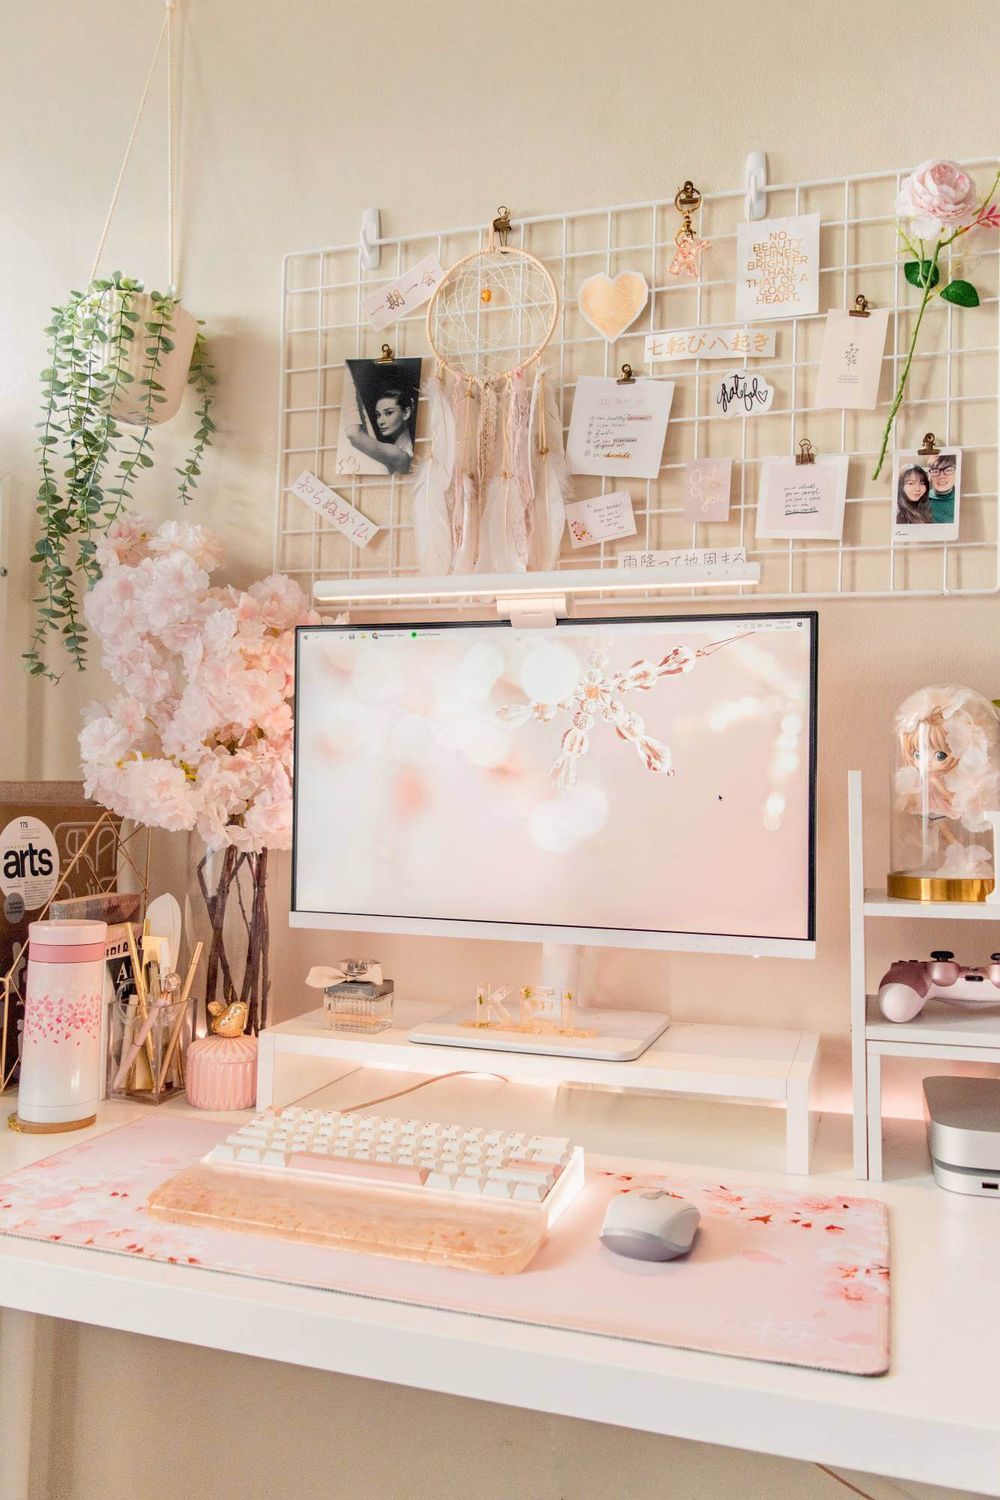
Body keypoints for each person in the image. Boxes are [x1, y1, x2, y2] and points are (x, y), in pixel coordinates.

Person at [346, 385, 415, 475]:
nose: (380, 422)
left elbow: (353, 433)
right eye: (378, 415)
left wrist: (348, 385)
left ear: (406, 413)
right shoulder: (400, 452)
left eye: (388, 413)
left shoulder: (403, 456)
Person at [926, 454, 957, 524]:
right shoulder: (921, 500)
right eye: (935, 471)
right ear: (929, 475)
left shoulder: (962, 499)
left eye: (948, 470)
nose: (941, 476)